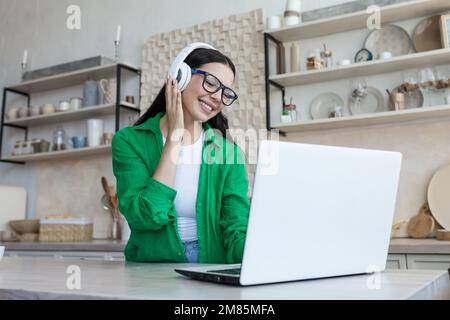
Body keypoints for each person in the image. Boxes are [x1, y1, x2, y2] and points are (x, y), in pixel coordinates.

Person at [112, 45, 250, 263]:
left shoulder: (229, 153)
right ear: (180, 76)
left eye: (226, 93)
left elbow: (236, 228)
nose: (217, 97)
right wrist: (174, 139)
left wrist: (264, 254)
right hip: (151, 275)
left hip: (210, 270)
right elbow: (145, 217)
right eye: (212, 83)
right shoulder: (129, 141)